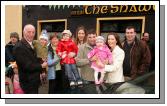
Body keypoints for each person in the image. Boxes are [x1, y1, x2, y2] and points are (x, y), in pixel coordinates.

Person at [13, 24, 48, 94]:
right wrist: (41, 66)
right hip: (28, 83)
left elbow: (33, 58)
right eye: (29, 32)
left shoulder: (32, 44)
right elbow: (27, 66)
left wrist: (41, 59)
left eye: (33, 32)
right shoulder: (19, 47)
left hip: (34, 81)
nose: (31, 34)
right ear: (23, 32)